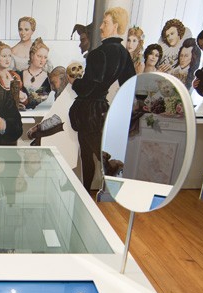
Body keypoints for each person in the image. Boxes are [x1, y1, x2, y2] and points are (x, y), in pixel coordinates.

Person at [69, 7, 135, 190]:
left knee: (90, 154)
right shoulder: (124, 54)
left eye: (105, 23)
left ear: (116, 25)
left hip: (88, 110)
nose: (100, 27)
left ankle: (90, 189)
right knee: (94, 152)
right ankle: (91, 190)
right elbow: (129, 84)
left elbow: (88, 88)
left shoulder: (98, 53)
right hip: (101, 109)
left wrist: (74, 82)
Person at [19, 37, 51, 109]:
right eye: (39, 56)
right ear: (32, 55)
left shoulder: (49, 79)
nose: (42, 60)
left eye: (45, 57)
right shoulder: (18, 75)